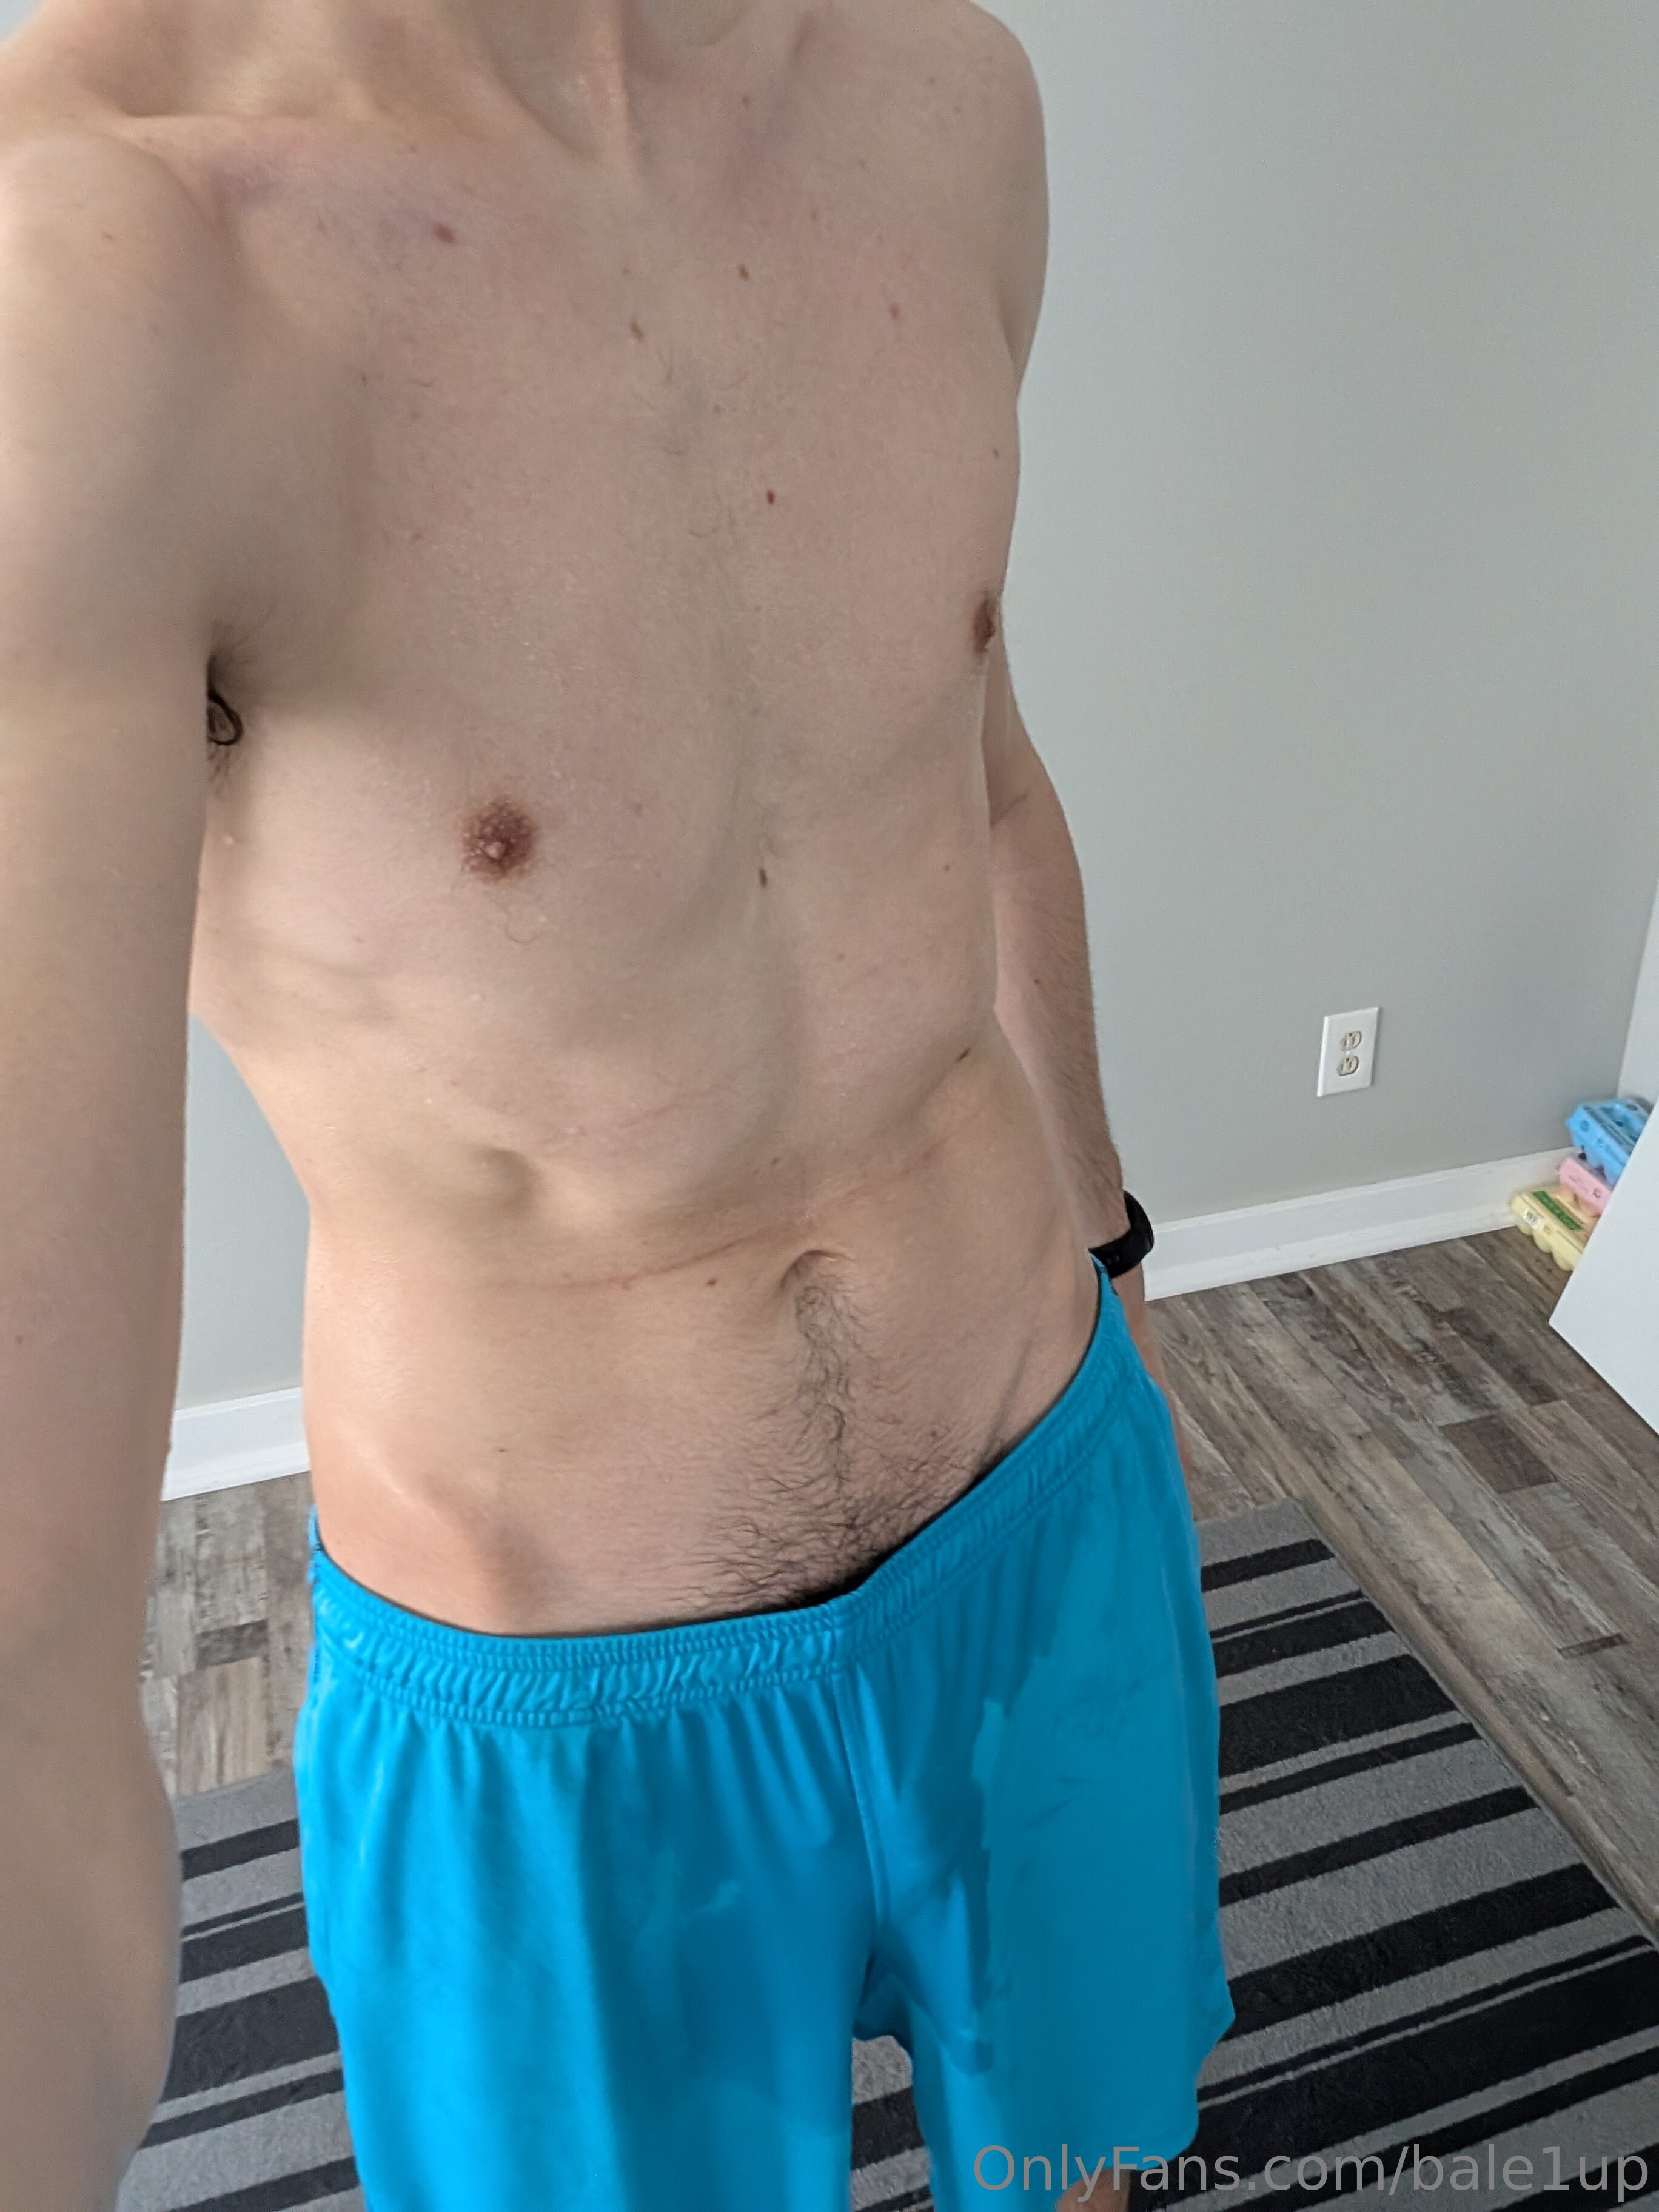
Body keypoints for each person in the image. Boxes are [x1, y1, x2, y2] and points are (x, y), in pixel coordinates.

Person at [0, 0, 1232, 2204]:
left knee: (1089, 2165)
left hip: (1047, 1506)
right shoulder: (92, 269)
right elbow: (26, 1636)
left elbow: (981, 775)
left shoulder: (944, 97)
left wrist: (1114, 1235)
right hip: (555, 1704)